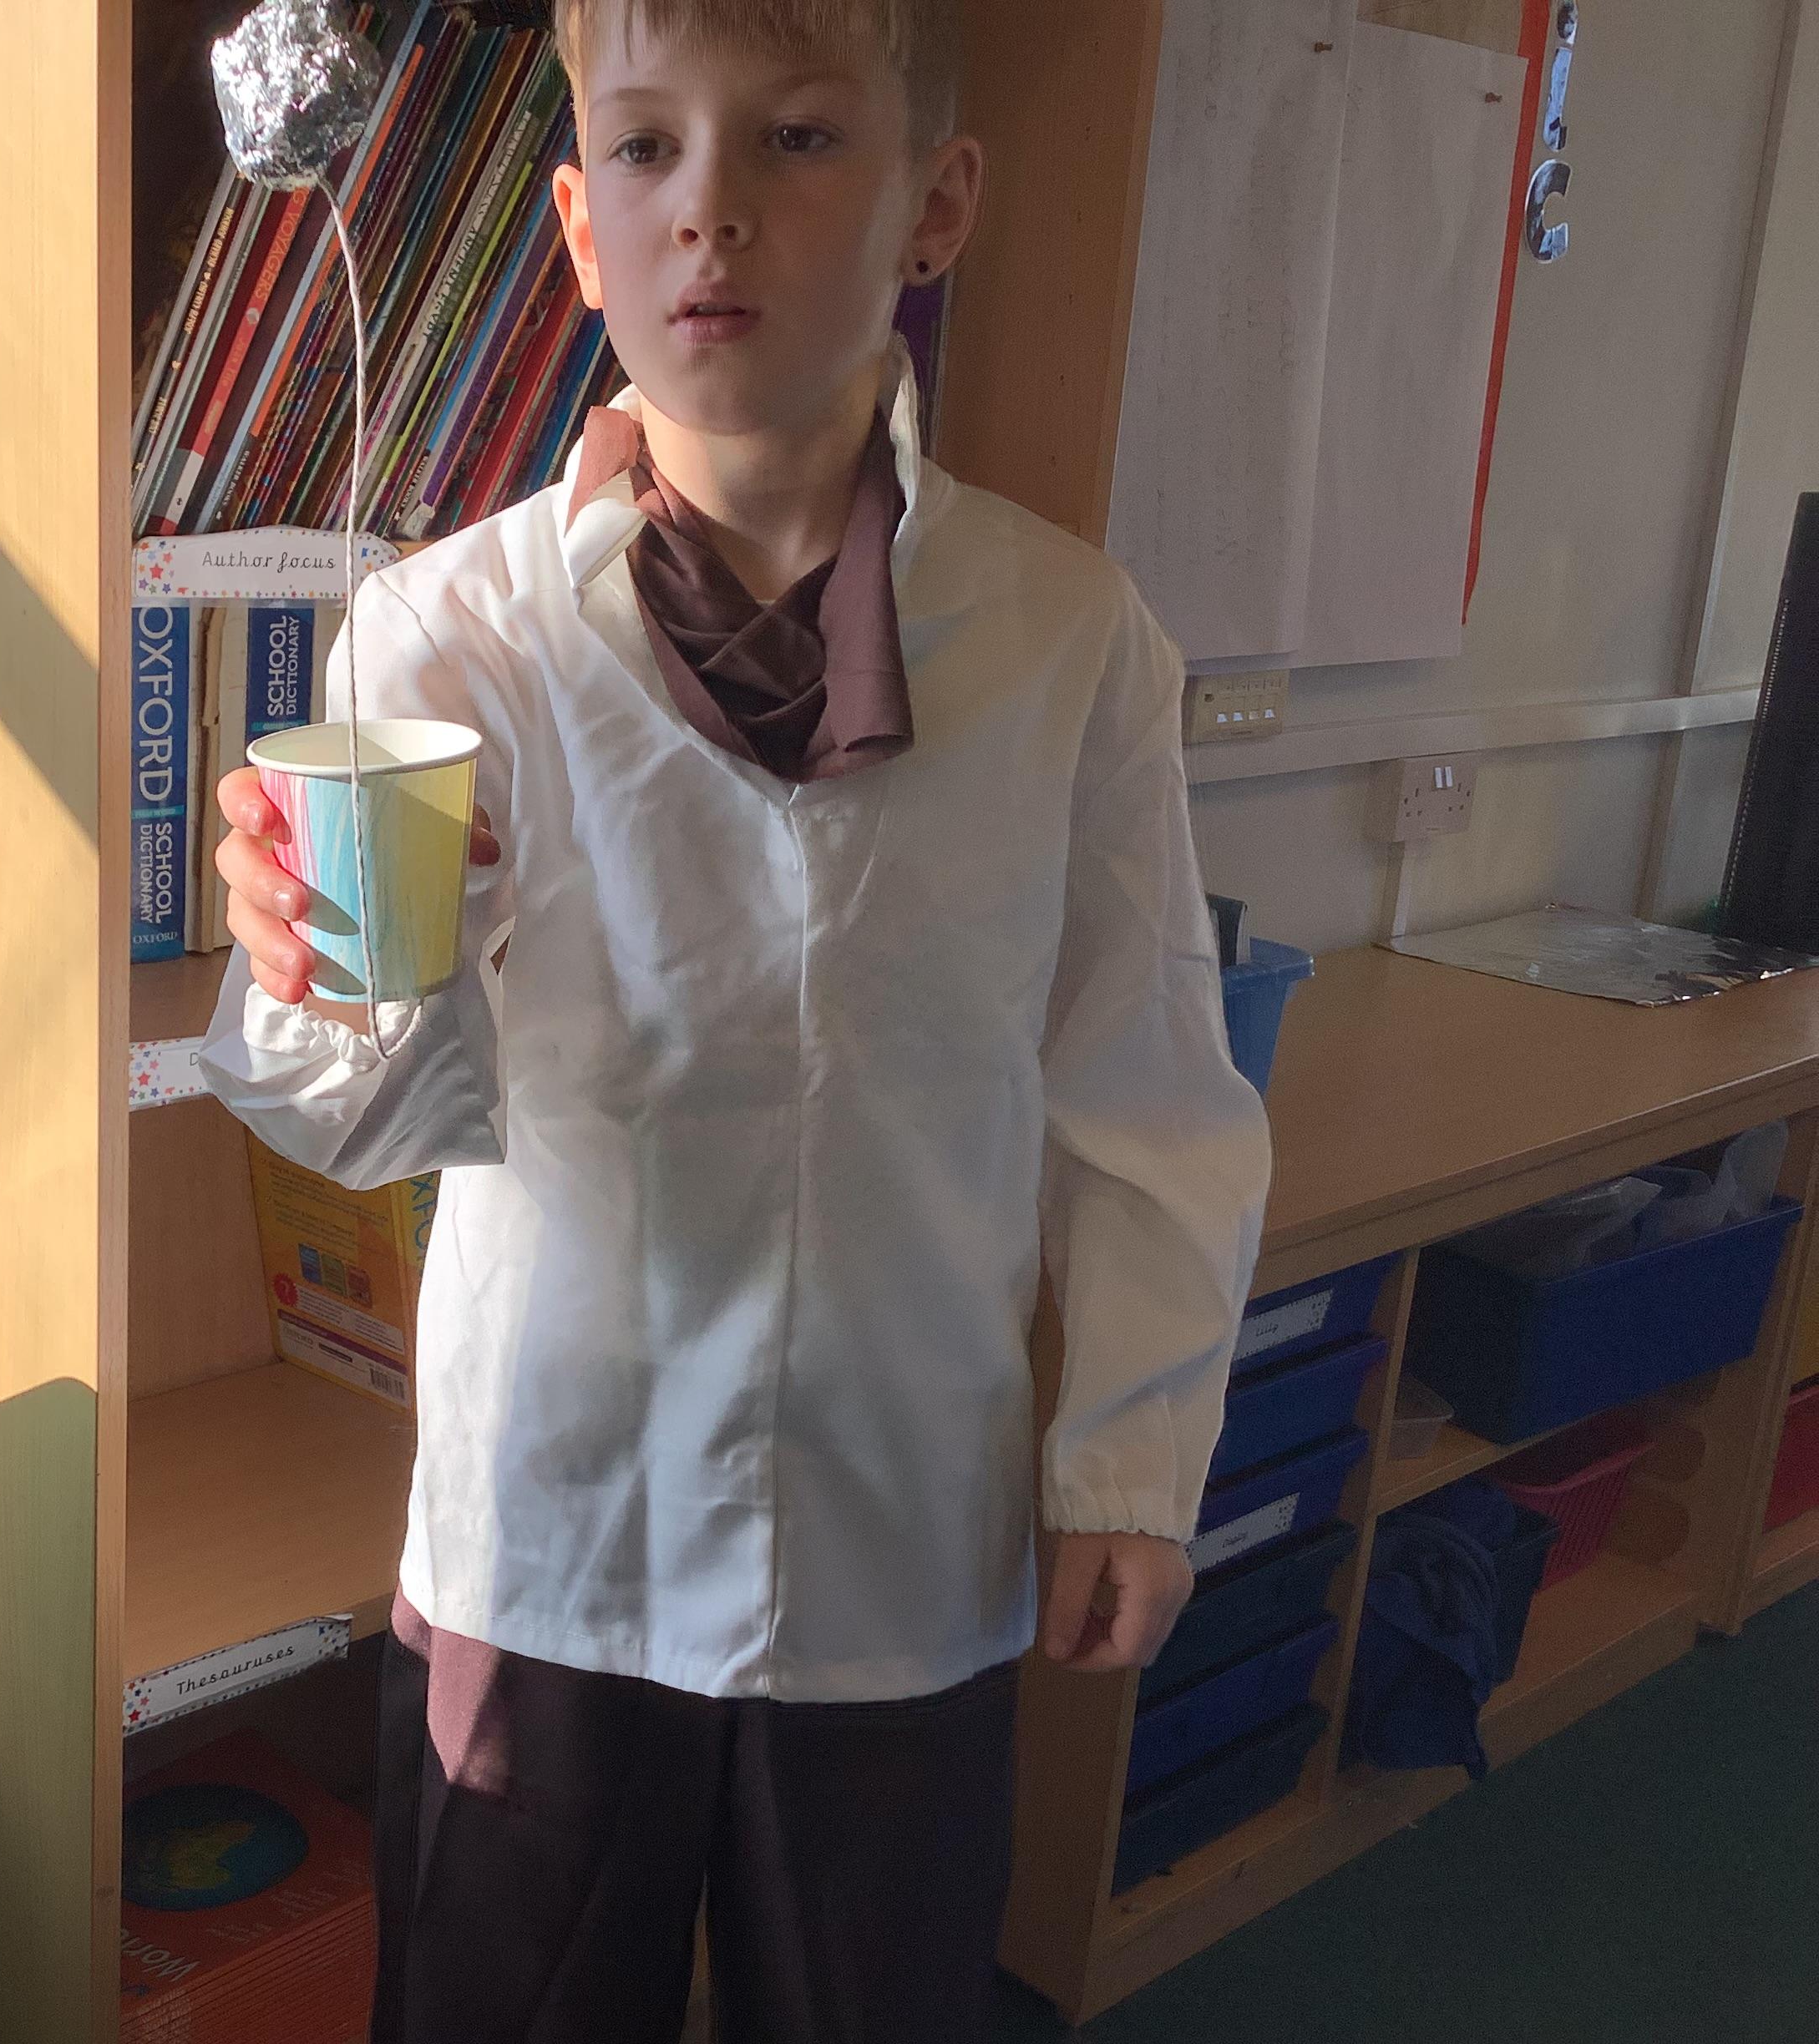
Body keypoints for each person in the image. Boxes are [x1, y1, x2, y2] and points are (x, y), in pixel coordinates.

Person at [196, 0, 1272, 2036]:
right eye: (647, 150)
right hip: (554, 1528)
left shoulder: (1071, 642)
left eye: (795, 140)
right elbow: (371, 1120)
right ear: (579, 232)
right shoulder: (447, 631)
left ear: (935, 204)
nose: (711, 213)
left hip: (899, 1530)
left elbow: (1145, 1085)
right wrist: (307, 965)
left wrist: (1131, 1460)